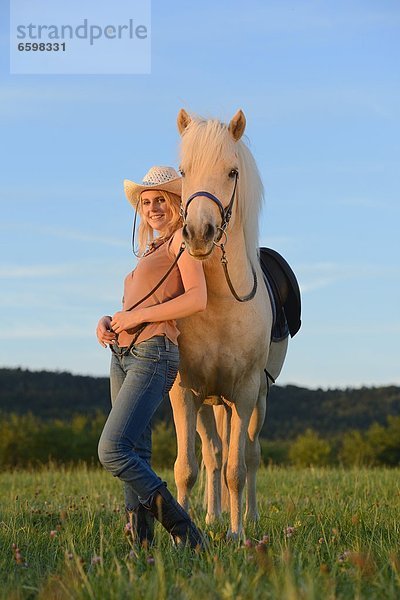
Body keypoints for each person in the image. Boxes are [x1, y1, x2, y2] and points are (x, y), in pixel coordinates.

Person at [96, 166, 207, 550]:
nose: (152, 206)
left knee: (111, 450)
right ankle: (140, 548)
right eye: (146, 201)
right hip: (122, 352)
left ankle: (185, 531)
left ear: (176, 202)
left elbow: (197, 297)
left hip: (154, 353)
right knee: (134, 452)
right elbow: (140, 303)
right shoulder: (151, 249)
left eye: (160, 198)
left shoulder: (181, 242)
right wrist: (109, 321)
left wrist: (137, 317)